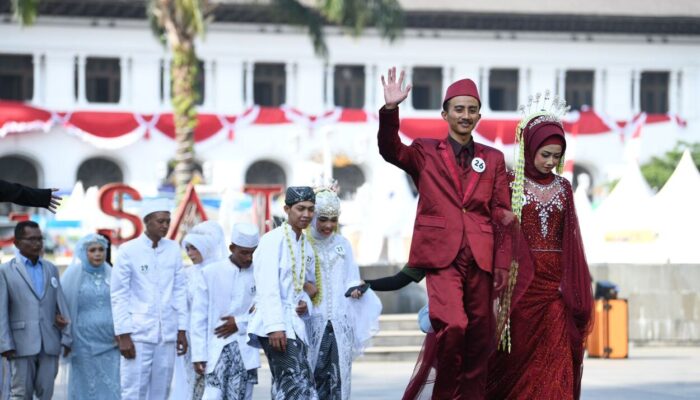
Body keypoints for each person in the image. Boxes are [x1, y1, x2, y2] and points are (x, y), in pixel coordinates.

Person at [378, 67, 513, 399]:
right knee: (453, 325)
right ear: (445, 114)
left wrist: (504, 260)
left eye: (471, 110)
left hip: (481, 256)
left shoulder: (493, 158)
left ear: (479, 115)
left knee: (481, 337)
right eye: (458, 109)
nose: (465, 116)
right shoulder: (425, 150)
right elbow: (390, 149)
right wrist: (391, 110)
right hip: (441, 255)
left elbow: (500, 212)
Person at [486, 93, 594, 400]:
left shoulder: (564, 187)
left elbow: (571, 239)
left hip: (554, 288)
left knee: (557, 363)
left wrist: (571, 286)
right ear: (529, 147)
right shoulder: (508, 184)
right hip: (519, 288)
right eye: (545, 154)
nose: (550, 162)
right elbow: (498, 236)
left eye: (556, 157)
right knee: (515, 364)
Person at [304, 186, 382, 400]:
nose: (328, 225)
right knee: (313, 378)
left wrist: (356, 289)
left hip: (340, 324)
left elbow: (351, 277)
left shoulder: (343, 244)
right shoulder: (302, 245)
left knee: (339, 380)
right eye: (323, 219)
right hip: (312, 321)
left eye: (333, 219)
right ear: (313, 217)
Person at [111, 199, 188, 399]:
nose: (165, 225)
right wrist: (124, 334)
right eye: (160, 221)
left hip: (167, 334)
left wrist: (182, 329)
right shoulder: (129, 250)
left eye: (167, 221)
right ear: (147, 221)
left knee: (161, 392)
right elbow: (119, 294)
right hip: (138, 334)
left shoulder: (172, 249)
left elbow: (179, 290)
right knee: (133, 391)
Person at [247, 186, 318, 399]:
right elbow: (267, 287)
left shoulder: (305, 244)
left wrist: (305, 303)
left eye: (311, 209)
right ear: (287, 209)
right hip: (275, 326)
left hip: (295, 323)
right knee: (295, 385)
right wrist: (275, 327)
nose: (306, 214)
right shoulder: (272, 240)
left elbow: (308, 286)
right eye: (300, 208)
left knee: (291, 384)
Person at [0, 220, 72, 399]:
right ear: (16, 242)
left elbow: (60, 304)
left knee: (46, 393)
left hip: (49, 342)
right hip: (20, 344)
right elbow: (1, 311)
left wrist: (66, 336)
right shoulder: (6, 271)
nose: (37, 243)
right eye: (31, 239)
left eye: (40, 239)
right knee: (20, 393)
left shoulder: (51, 268)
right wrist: (5, 343)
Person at [191, 223, 261, 400]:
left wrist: (239, 323)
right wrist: (198, 354)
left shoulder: (260, 273)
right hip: (216, 348)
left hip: (245, 349)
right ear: (232, 248)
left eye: (253, 252)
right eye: (244, 252)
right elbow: (199, 316)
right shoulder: (210, 273)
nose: (249, 258)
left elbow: (263, 310)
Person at [60, 233, 120, 399]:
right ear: (83, 252)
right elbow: (62, 306)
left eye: (101, 249)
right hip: (83, 342)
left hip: (111, 342)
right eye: (92, 250)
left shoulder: (113, 274)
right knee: (87, 384)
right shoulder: (73, 275)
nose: (98, 254)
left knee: (113, 383)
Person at [171, 221, 226, 400]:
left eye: (194, 248)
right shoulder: (188, 274)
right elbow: (182, 307)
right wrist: (182, 333)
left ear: (206, 247)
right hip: (192, 339)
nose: (190, 253)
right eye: (187, 248)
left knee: (217, 386)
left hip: (217, 337)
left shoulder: (222, 272)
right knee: (193, 383)